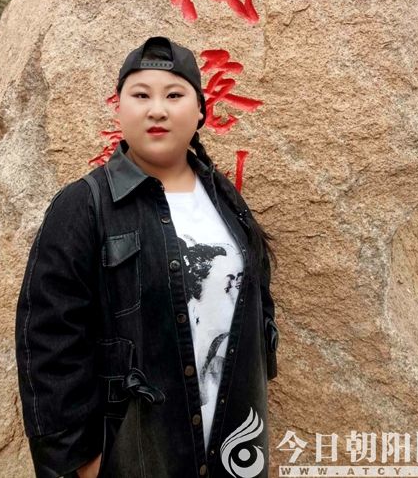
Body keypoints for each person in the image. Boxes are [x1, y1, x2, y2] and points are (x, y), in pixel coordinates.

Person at [15, 35, 279, 478]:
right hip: (137, 452)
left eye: (174, 95)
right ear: (119, 108)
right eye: (141, 95)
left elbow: (257, 295)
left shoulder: (224, 198)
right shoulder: (84, 205)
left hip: (234, 439)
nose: (157, 110)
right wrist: (82, 458)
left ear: (200, 111)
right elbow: (47, 338)